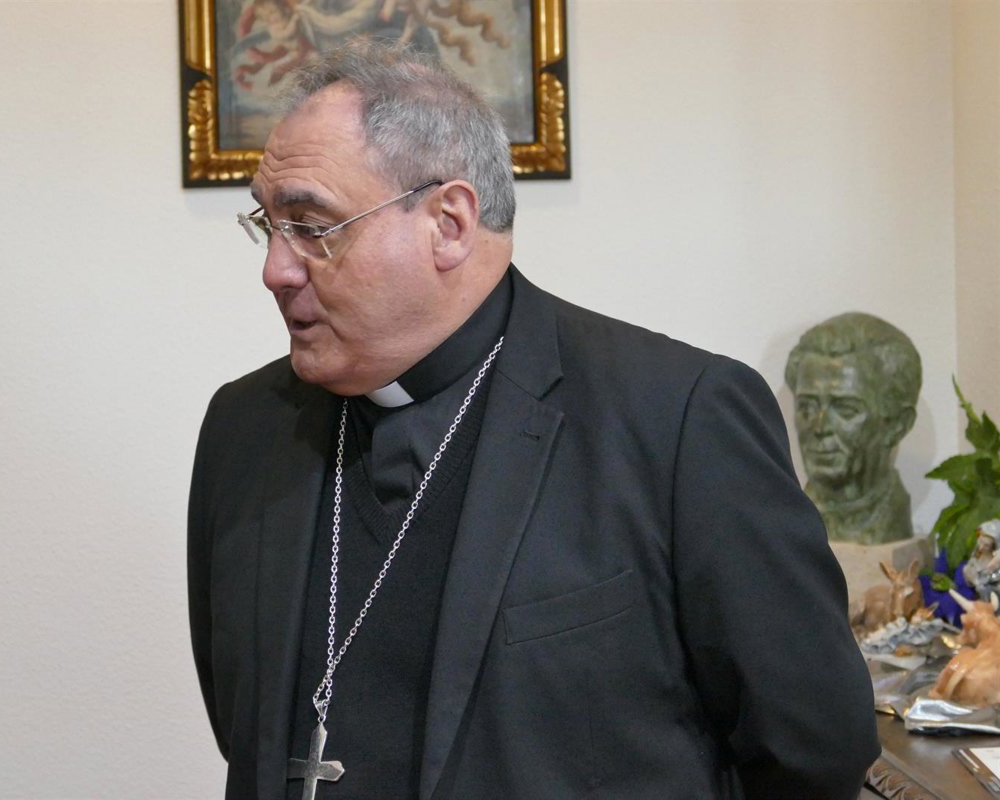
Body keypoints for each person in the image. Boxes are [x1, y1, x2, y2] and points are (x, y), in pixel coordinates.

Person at [190, 39, 879, 800]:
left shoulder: (677, 419)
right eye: (268, 225)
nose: (275, 270)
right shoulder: (244, 428)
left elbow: (814, 747)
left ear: (449, 223)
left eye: (312, 227)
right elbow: (245, 726)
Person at [784, 312, 922, 544]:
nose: (819, 427)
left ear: (897, 425)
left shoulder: (892, 521)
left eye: (846, 410)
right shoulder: (788, 520)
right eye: (807, 407)